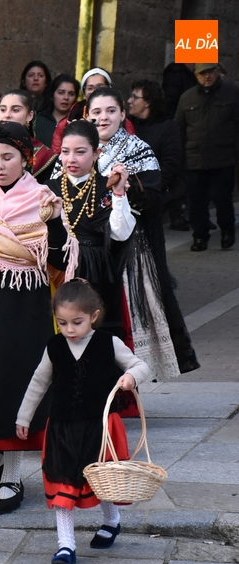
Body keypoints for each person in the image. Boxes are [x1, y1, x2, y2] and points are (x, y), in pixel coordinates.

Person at [0, 122, 76, 516]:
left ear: (25, 158)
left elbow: (61, 259)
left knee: (20, 384)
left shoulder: (44, 198)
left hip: (28, 308)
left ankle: (12, 474)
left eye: (8, 157)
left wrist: (56, 221)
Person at [16, 280, 150, 564]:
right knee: (63, 482)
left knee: (103, 479)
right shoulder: (54, 347)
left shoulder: (108, 343)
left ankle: (111, 520)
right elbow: (39, 382)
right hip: (62, 428)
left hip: (101, 428)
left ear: (94, 315)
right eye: (62, 323)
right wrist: (23, 417)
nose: (70, 330)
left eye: (77, 322)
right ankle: (66, 545)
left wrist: (131, 378)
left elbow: (141, 365)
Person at [84, 88, 199, 383]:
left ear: (123, 114)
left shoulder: (138, 148)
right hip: (90, 252)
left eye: (110, 111)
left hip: (132, 250)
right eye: (96, 112)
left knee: (129, 317)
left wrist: (123, 191)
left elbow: (153, 195)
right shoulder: (80, 149)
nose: (103, 117)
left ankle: (130, 388)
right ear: (87, 116)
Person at [48, 120, 134, 339]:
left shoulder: (106, 186)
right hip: (60, 268)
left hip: (98, 271)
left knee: (100, 338)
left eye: (80, 152)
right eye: (65, 152)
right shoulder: (50, 188)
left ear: (96, 153)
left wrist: (119, 195)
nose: (71, 159)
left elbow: (121, 232)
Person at [174, 63, 239, 251]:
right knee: (197, 200)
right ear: (196, 75)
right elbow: (179, 128)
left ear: (218, 71)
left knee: (222, 197)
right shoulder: (187, 98)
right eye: (202, 73)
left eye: (211, 72)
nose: (207, 76)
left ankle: (227, 230)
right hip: (195, 158)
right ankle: (200, 236)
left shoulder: (231, 94)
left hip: (223, 157)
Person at [128, 80, 189, 231]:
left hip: (153, 196)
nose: (129, 101)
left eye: (135, 97)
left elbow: (170, 163)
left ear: (147, 102)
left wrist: (150, 189)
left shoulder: (167, 128)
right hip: (128, 193)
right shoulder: (128, 126)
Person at [0, 90, 57, 183]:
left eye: (15, 110)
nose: (7, 115)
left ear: (30, 115)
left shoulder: (44, 156)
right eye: (3, 110)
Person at [34, 74, 79, 148]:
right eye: (61, 93)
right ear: (52, 95)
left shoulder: (78, 123)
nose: (66, 97)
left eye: (71, 94)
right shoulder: (37, 121)